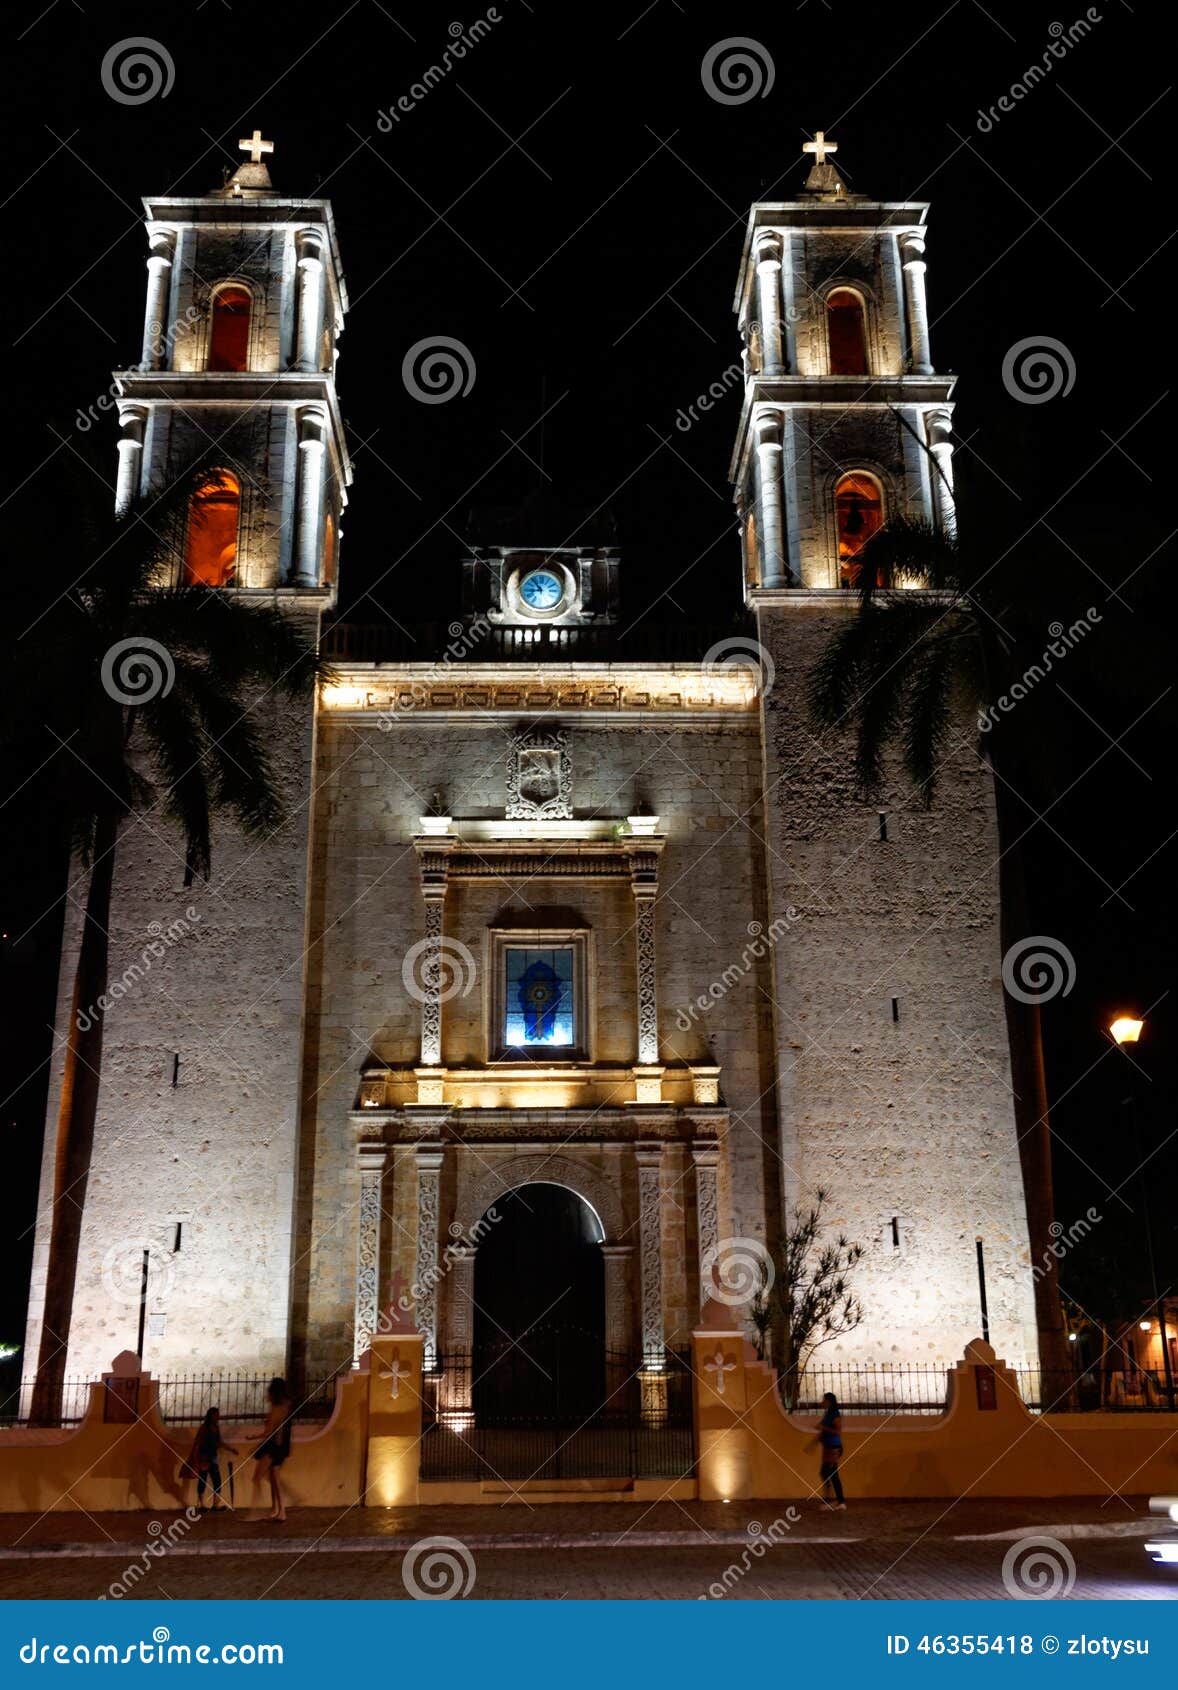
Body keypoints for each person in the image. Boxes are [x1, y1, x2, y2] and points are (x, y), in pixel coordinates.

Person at [253, 1377, 293, 1523]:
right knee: (272, 1477)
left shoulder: (277, 1408)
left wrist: (253, 1438)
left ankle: (280, 1510)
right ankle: (276, 1509)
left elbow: (269, 1431)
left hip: (275, 1446)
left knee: (271, 1478)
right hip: (282, 1446)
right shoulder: (286, 1406)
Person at [185, 1407, 237, 1511]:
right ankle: (201, 1505)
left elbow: (219, 1442)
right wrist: (196, 1457)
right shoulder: (204, 1428)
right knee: (202, 1480)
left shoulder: (216, 1428)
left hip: (213, 1458)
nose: (218, 1417)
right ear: (211, 1416)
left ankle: (215, 1505)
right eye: (216, 1415)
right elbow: (197, 1442)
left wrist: (231, 1449)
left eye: (218, 1415)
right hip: (204, 1458)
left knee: (217, 1481)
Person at [816, 1391, 846, 1510]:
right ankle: (837, 1501)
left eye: (824, 1400)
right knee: (827, 1473)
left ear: (829, 1402)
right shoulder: (828, 1413)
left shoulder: (835, 1414)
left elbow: (838, 1431)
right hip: (828, 1447)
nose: (822, 1402)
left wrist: (823, 1428)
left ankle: (837, 1501)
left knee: (830, 1473)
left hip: (834, 1448)